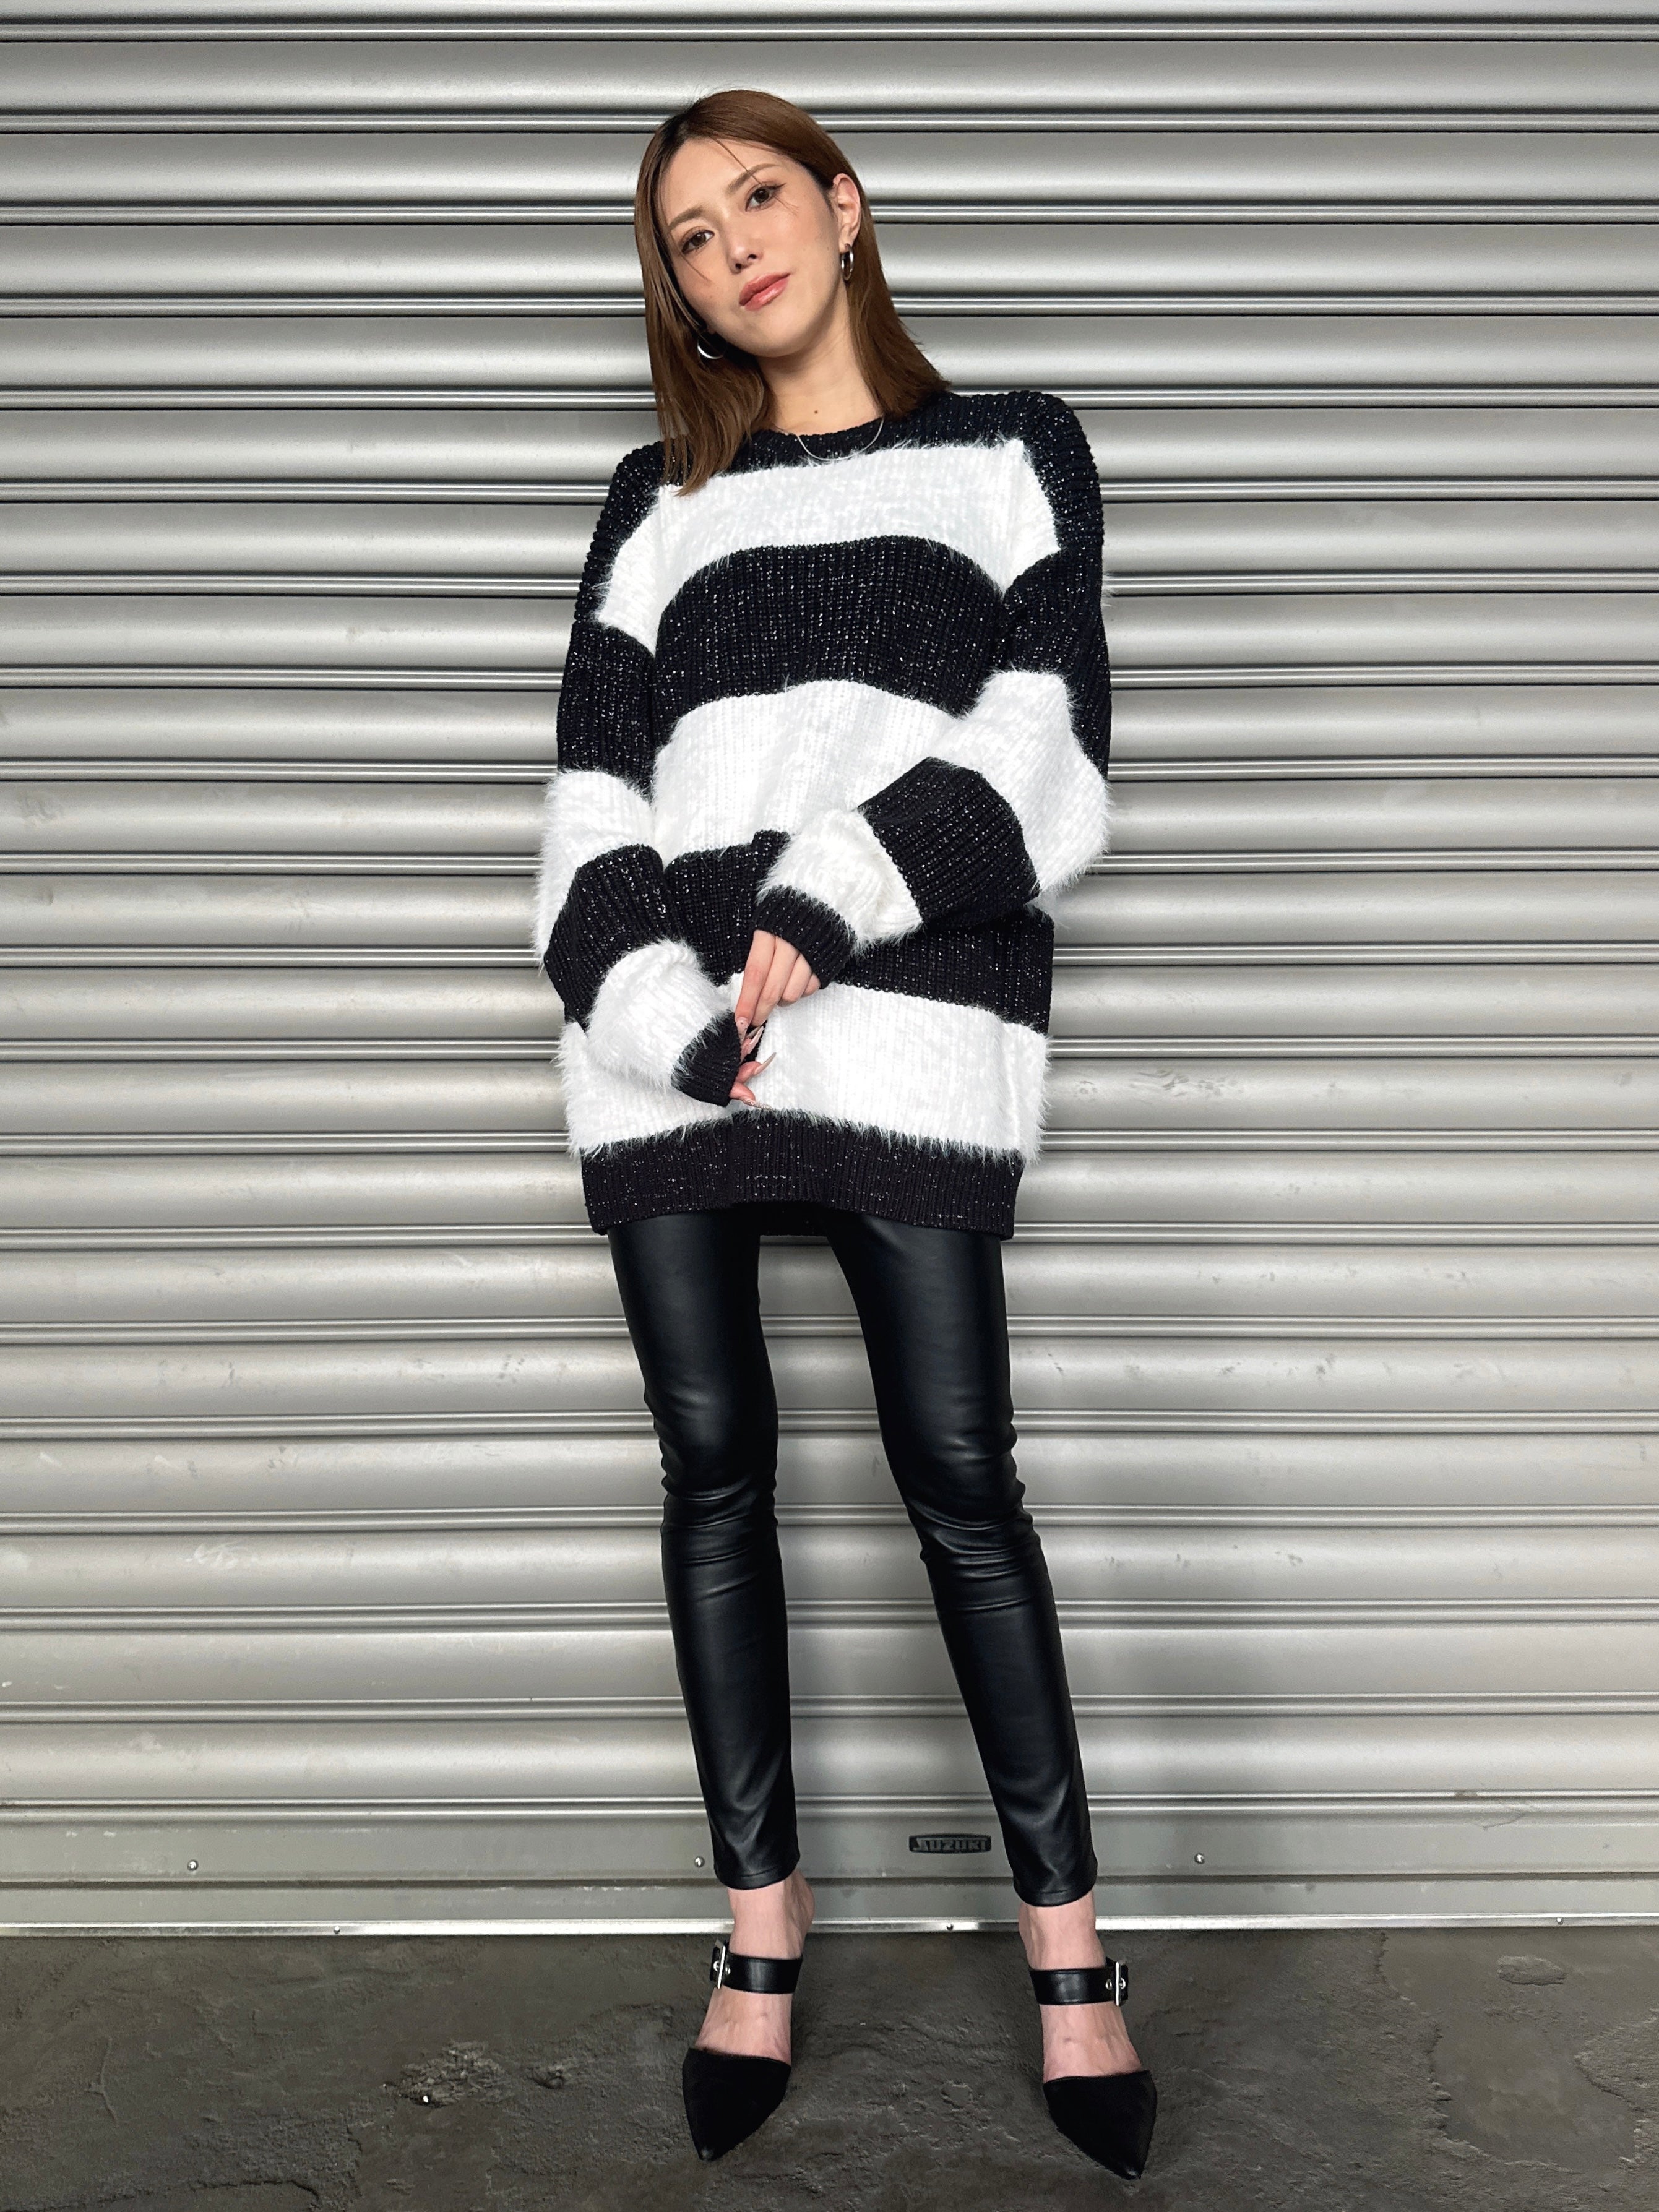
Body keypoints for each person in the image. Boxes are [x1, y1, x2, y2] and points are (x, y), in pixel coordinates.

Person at [531, 86, 1157, 2179]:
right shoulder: (656, 502)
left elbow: (1050, 745)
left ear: (844, 203)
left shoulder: (1011, 451)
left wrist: (832, 894)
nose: (735, 252)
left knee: (959, 1478)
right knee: (712, 1473)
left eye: (757, 201)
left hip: (900, 1019)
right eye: (690, 239)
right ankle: (759, 1937)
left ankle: (1070, 1956)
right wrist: (651, 1006)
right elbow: (590, 794)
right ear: (679, 293)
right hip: (667, 1048)